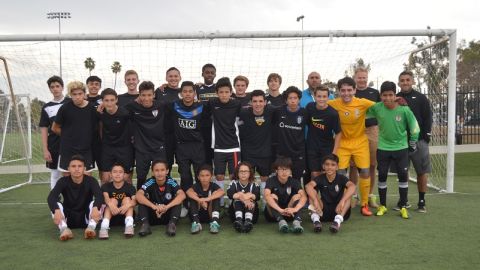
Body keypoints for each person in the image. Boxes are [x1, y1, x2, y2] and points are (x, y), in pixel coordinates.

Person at [367, 81, 420, 219]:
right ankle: (383, 205)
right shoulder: (376, 108)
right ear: (381, 95)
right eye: (384, 95)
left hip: (401, 148)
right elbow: (362, 110)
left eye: (390, 95)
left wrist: (413, 142)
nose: (388, 98)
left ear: (395, 95)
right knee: (382, 175)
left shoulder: (404, 109)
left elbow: (414, 126)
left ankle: (403, 207)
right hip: (383, 148)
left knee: (403, 177)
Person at [328, 77, 376, 216]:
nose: (346, 93)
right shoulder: (333, 104)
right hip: (342, 143)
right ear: (338, 91)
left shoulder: (362, 103)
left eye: (349, 90)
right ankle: (343, 202)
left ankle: (364, 204)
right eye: (343, 90)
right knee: (341, 174)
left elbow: (380, 107)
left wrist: (396, 101)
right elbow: (319, 106)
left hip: (360, 142)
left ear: (355, 90)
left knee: (365, 172)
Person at [168, 81, 208, 217]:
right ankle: (186, 204)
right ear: (181, 93)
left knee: (200, 176)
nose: (187, 94)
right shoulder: (174, 105)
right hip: (182, 146)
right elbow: (156, 101)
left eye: (190, 91)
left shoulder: (202, 106)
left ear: (194, 93)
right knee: (185, 176)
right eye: (185, 91)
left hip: (197, 146)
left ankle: (199, 202)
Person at [396, 71, 433, 213]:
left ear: (412, 81)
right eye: (402, 80)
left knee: (421, 171)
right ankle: (403, 201)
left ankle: (422, 201)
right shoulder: (395, 98)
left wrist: (426, 135)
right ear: (399, 82)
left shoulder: (421, 98)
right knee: (402, 172)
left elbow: (428, 116)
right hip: (400, 143)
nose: (405, 82)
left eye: (407, 80)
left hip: (418, 141)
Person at [47, 155, 103, 241]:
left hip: (86, 217)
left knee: (96, 204)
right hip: (68, 218)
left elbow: (99, 196)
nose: (76, 169)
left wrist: (95, 208)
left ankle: (91, 228)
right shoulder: (63, 181)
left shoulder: (91, 181)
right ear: (68, 168)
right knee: (55, 205)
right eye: (73, 166)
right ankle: (64, 229)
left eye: (79, 166)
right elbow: (51, 197)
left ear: (84, 168)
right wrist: (56, 210)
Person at [125, 81, 168, 189]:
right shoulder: (132, 107)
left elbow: (180, 103)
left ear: (154, 95)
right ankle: (141, 199)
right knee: (141, 177)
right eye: (143, 95)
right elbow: (117, 109)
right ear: (139, 95)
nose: (146, 98)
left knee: (160, 176)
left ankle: (161, 197)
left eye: (149, 95)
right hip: (142, 148)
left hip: (158, 148)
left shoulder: (161, 105)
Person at [207, 77, 242, 206]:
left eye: (226, 92)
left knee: (234, 176)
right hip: (218, 147)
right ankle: (220, 203)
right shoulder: (212, 103)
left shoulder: (236, 104)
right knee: (219, 176)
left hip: (233, 147)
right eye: (221, 92)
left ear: (231, 92)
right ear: (217, 93)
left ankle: (234, 202)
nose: (224, 95)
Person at [350, 67, 381, 208]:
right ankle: (353, 195)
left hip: (372, 130)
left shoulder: (375, 93)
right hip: (355, 131)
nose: (362, 80)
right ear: (355, 78)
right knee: (354, 165)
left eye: (364, 77)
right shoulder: (350, 92)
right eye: (359, 77)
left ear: (367, 78)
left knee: (372, 164)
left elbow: (382, 109)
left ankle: (369, 195)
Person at [52, 81, 97, 175]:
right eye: (74, 94)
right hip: (67, 151)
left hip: (86, 150)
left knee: (86, 180)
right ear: (70, 95)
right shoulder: (64, 108)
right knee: (67, 181)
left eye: (80, 94)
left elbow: (94, 128)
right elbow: (54, 128)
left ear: (84, 94)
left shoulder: (91, 109)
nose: (77, 96)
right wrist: (68, 136)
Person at [238, 90, 274, 202]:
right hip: (248, 153)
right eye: (255, 101)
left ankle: (265, 203)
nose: (258, 104)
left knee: (265, 178)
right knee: (247, 178)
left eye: (260, 101)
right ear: (250, 102)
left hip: (265, 152)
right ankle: (248, 203)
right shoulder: (243, 113)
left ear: (265, 102)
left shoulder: (272, 111)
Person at [305, 154, 355, 233]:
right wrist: (315, 200)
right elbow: (308, 186)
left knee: (348, 195)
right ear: (323, 166)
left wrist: (342, 201)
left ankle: (337, 222)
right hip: (322, 211)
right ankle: (316, 221)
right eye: (327, 164)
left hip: (339, 210)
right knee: (312, 192)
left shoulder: (341, 178)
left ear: (337, 167)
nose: (329, 167)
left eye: (333, 165)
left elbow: (352, 186)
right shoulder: (320, 178)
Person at [135, 160, 186, 237]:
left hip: (167, 215)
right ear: (152, 172)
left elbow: (182, 195)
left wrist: (166, 207)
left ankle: (172, 224)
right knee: (142, 200)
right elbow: (138, 195)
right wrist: (154, 207)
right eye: (156, 170)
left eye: (162, 170)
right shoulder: (150, 182)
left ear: (167, 171)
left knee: (178, 201)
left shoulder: (171, 181)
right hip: (153, 215)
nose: (159, 173)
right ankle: (145, 225)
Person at [96, 88, 134, 184]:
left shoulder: (125, 113)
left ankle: (129, 199)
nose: (109, 103)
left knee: (126, 178)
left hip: (124, 148)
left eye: (112, 100)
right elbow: (100, 128)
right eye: (106, 100)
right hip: (107, 148)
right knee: (105, 179)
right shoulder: (100, 113)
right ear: (102, 101)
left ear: (117, 100)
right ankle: (105, 199)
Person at [39, 75, 70, 189]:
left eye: (57, 86)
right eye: (52, 87)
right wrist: (45, 149)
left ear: (62, 87)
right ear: (50, 89)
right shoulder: (47, 107)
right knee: (55, 174)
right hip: (54, 145)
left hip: (70, 144)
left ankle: (70, 201)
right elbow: (43, 129)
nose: (55, 89)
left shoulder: (70, 102)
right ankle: (55, 202)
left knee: (70, 173)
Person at [305, 85, 341, 182]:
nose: (321, 99)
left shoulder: (333, 113)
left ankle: (325, 197)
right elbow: (307, 123)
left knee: (326, 174)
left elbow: (338, 133)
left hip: (327, 147)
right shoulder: (310, 107)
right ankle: (314, 197)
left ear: (328, 97)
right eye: (319, 96)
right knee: (314, 174)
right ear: (314, 96)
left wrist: (334, 152)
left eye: (324, 96)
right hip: (312, 147)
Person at [264, 157, 307, 233]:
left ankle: (297, 222)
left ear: (290, 170)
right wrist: (280, 210)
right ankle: (281, 222)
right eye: (281, 169)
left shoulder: (294, 181)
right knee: (272, 196)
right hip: (273, 215)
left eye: (286, 169)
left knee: (298, 196)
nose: (284, 172)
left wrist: (295, 209)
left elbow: (304, 197)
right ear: (276, 170)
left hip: (290, 213)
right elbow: (266, 196)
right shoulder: (271, 180)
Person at [273, 86, 307, 182]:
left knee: (296, 180)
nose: (293, 101)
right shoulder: (278, 112)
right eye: (290, 98)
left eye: (295, 98)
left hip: (298, 152)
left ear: (299, 99)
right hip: (283, 153)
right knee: (282, 179)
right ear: (286, 100)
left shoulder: (304, 113)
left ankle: (297, 197)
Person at [155, 67, 182, 174]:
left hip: (182, 135)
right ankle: (166, 190)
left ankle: (184, 190)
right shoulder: (159, 91)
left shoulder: (185, 91)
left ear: (180, 77)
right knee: (167, 165)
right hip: (165, 135)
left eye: (176, 76)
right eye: (170, 76)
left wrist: (199, 85)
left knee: (183, 166)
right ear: (166, 78)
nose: (173, 78)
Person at [99, 163, 136, 239]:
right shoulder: (105, 186)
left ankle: (129, 225)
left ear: (124, 174)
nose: (117, 174)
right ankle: (104, 227)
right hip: (111, 216)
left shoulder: (130, 187)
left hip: (125, 215)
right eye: (115, 172)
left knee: (127, 199)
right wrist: (111, 205)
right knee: (112, 200)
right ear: (110, 174)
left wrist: (127, 205)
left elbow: (135, 200)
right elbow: (106, 198)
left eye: (120, 172)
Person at [186, 164, 224, 234]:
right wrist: (200, 200)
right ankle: (196, 223)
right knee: (193, 196)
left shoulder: (213, 185)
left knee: (216, 195)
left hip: (210, 214)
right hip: (197, 214)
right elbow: (188, 192)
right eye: (202, 176)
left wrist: (207, 199)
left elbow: (221, 192)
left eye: (207, 175)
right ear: (198, 177)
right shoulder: (196, 186)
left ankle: (214, 223)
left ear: (211, 176)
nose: (204, 178)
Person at [227, 162, 260, 233]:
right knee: (237, 200)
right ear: (237, 173)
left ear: (250, 173)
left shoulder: (254, 184)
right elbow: (231, 194)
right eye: (241, 171)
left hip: (252, 216)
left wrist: (241, 195)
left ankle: (248, 221)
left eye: (246, 171)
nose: (243, 173)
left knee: (251, 200)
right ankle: (239, 220)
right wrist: (245, 199)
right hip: (235, 216)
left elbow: (256, 196)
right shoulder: (233, 183)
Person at [196, 63, 217, 166]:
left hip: (217, 127)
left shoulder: (219, 88)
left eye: (212, 73)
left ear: (215, 75)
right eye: (207, 72)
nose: (209, 75)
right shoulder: (197, 88)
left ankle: (217, 181)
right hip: (202, 127)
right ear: (202, 74)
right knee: (205, 157)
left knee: (217, 157)